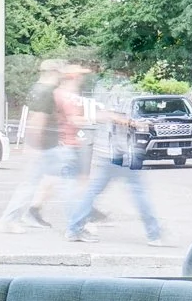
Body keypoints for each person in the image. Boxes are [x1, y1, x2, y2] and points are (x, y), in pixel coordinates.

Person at [64, 88, 162, 244]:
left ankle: (74, 228)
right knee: (139, 193)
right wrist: (134, 123)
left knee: (94, 192)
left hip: (113, 154)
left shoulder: (109, 91)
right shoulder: (116, 92)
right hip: (117, 153)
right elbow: (108, 115)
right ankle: (155, 234)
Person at [0, 56, 83, 232]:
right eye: (59, 72)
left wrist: (27, 143)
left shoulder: (36, 88)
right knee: (59, 183)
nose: (61, 76)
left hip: (45, 146)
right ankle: (78, 224)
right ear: (53, 72)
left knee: (43, 182)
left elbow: (31, 116)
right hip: (45, 146)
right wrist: (33, 146)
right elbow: (39, 119)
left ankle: (16, 217)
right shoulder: (47, 91)